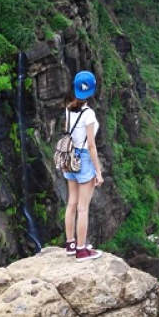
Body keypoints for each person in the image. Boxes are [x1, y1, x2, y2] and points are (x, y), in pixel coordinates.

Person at [62, 70, 104, 261]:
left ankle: (70, 244)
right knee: (83, 208)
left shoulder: (68, 108)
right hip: (84, 158)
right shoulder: (89, 114)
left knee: (71, 203)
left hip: (69, 158)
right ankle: (81, 250)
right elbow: (91, 145)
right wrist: (98, 172)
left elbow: (68, 133)